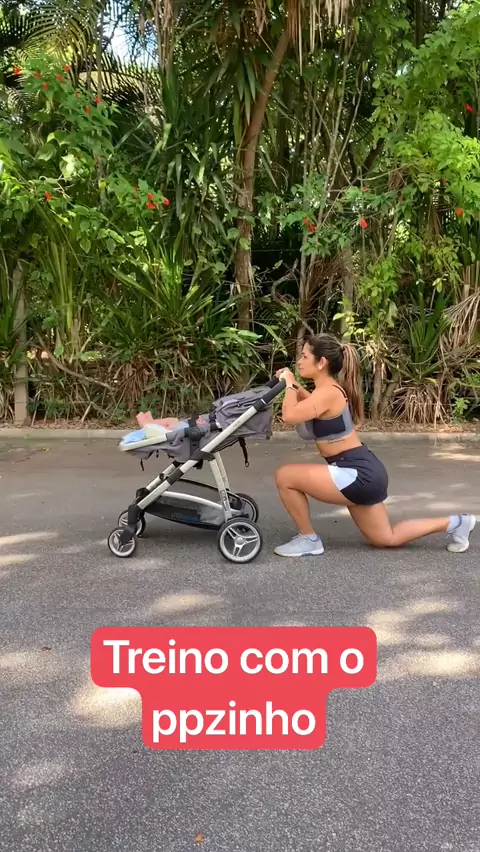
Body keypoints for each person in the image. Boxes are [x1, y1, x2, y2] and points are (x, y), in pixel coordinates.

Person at [273, 333, 476, 557]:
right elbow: (308, 401)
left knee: (285, 476)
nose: (299, 362)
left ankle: (308, 538)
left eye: (304, 356)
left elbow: (289, 416)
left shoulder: (328, 393)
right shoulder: (325, 392)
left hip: (356, 473)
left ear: (321, 362)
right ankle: (457, 523)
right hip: (363, 472)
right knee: (385, 538)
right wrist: (292, 384)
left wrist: (290, 384)